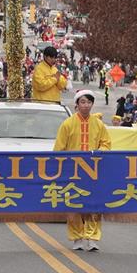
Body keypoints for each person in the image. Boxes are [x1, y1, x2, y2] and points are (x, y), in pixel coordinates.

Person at [53, 90, 111, 251]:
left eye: (89, 102)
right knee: (74, 205)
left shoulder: (99, 124)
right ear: (77, 104)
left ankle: (92, 238)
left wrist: (100, 152)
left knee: (94, 205)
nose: (86, 106)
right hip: (73, 172)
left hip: (93, 172)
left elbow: (106, 143)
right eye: (83, 102)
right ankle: (77, 238)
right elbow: (59, 149)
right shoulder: (67, 124)